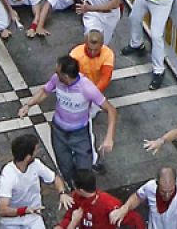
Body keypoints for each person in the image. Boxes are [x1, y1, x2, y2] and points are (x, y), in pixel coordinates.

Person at [17, 55, 118, 183]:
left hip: (80, 134)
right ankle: (72, 190)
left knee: (84, 170)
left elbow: (111, 110)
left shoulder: (87, 88)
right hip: (58, 131)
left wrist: (109, 137)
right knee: (65, 166)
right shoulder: (56, 79)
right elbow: (45, 91)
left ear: (65, 76)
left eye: (58, 72)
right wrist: (29, 105)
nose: (55, 74)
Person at [0, 132, 71, 229]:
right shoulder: (8, 175)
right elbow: (2, 210)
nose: (37, 153)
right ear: (28, 157)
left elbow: (55, 178)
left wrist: (62, 193)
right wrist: (24, 210)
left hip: (33, 216)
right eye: (35, 151)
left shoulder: (36, 164)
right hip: (11, 220)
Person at [112, 166, 177, 229]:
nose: (167, 196)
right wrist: (124, 208)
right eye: (163, 191)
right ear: (157, 183)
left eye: (171, 191)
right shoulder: (150, 186)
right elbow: (138, 197)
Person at [61, 168, 144, 229]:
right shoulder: (76, 196)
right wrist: (62, 226)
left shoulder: (108, 203)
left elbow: (134, 219)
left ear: (81, 190)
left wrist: (73, 223)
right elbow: (69, 214)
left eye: (74, 186)